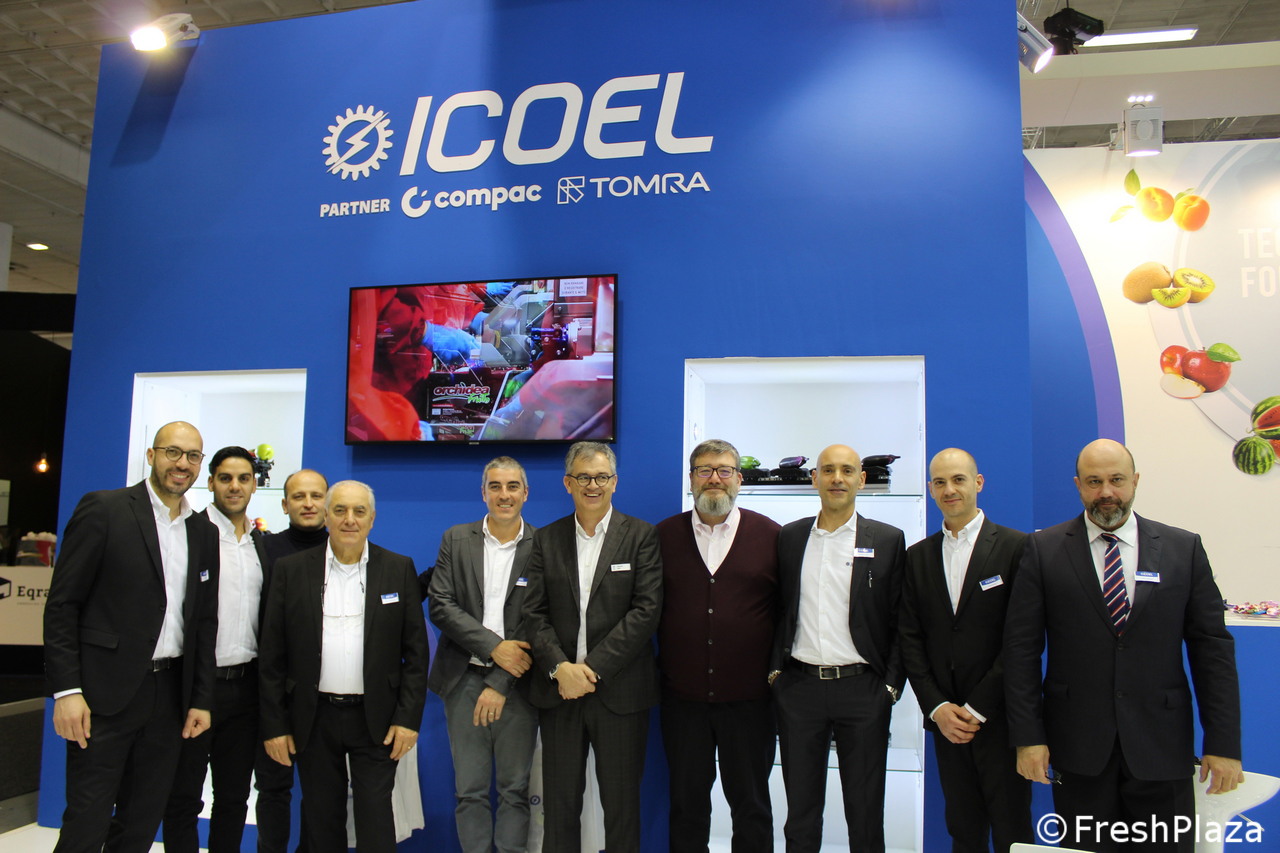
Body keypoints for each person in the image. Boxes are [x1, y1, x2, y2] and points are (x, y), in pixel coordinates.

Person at [1005, 438, 1243, 852]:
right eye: (1094, 481)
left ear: (1135, 481)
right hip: (1079, 750)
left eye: (1116, 480)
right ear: (1078, 485)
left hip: (1162, 748)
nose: (1106, 492)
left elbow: (1212, 652)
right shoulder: (1043, 550)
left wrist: (1223, 744)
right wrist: (1028, 737)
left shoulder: (1183, 549)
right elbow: (1021, 650)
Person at [44, 421, 219, 853]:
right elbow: (63, 605)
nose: (182, 463)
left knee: (140, 824)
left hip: (169, 698)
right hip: (103, 695)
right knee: (86, 822)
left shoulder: (203, 531)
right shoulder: (105, 510)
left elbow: (203, 622)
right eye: (172, 452)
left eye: (192, 456)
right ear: (151, 455)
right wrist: (66, 690)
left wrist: (200, 698)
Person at [258, 480, 429, 853]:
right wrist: (275, 725)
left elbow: (416, 654)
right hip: (313, 718)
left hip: (377, 720)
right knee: (322, 823)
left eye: (359, 511)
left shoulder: (398, 568)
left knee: (375, 822)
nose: (349, 519)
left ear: (372, 519)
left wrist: (408, 719)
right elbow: (272, 656)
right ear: (326, 516)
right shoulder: (290, 570)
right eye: (340, 510)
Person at [521, 441, 663, 853]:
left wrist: (591, 669)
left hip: (620, 694)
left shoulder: (640, 536)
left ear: (614, 482)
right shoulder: (546, 539)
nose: (593, 485)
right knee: (560, 809)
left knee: (621, 808)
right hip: (559, 693)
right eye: (583, 477)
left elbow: (645, 612)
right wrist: (561, 668)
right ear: (568, 483)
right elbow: (534, 613)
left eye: (601, 477)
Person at [769, 444, 906, 853]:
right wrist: (776, 674)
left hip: (863, 691)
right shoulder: (790, 537)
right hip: (799, 689)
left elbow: (902, 620)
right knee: (800, 814)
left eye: (847, 470)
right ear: (814, 479)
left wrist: (890, 687)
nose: (837, 479)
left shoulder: (888, 539)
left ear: (862, 480)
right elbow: (778, 609)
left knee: (865, 815)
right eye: (828, 470)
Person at [897, 448, 1032, 852]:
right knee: (963, 830)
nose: (949, 490)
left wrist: (977, 707)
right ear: (930, 489)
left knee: (1012, 831)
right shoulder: (917, 557)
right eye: (940, 482)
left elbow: (1021, 639)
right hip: (946, 723)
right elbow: (910, 639)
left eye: (958, 479)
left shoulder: (1016, 547)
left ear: (978, 483)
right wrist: (937, 707)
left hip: (1001, 719)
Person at [656, 439, 780, 853]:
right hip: (683, 702)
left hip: (750, 703)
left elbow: (787, 614)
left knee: (752, 807)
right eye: (704, 470)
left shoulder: (771, 536)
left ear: (739, 479)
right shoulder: (663, 536)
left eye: (724, 470)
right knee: (687, 808)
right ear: (691, 479)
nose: (714, 478)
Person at [163, 446, 271, 853]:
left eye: (244, 479)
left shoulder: (261, 544)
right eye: (225, 478)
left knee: (234, 798)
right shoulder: (191, 533)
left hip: (245, 689)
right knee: (183, 797)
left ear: (255, 485)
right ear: (210, 483)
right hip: (195, 686)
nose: (234, 486)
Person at [428, 457, 538, 853]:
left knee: (515, 789)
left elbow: (539, 620)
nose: (504, 495)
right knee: (470, 791)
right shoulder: (456, 539)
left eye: (512, 486)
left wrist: (499, 682)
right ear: (483, 493)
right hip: (462, 681)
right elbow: (440, 605)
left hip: (518, 685)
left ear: (525, 493)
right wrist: (493, 647)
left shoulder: (543, 545)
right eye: (495, 486)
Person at [255, 467, 330, 853]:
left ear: (328, 503)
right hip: (273, 691)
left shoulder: (347, 548)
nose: (308, 504)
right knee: (272, 788)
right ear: (285, 505)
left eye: (316, 496)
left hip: (327, 694)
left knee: (321, 793)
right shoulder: (263, 551)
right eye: (299, 497)